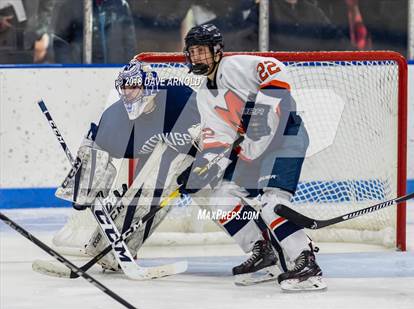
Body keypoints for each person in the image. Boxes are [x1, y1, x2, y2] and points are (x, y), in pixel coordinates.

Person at [179, 23, 326, 291]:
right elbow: (219, 141)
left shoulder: (237, 67)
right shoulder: (204, 95)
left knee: (272, 204)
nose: (197, 57)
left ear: (217, 51)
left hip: (285, 138)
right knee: (221, 199)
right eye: (192, 52)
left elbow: (275, 69)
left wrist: (264, 108)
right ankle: (264, 254)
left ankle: (306, 263)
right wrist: (202, 170)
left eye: (202, 51)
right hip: (253, 149)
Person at [56, 59, 201, 270]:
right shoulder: (115, 115)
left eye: (133, 86)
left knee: (153, 194)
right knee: (140, 196)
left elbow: (211, 128)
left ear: (149, 85)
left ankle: (262, 242)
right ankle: (107, 250)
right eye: (124, 87)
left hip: (188, 158)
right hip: (151, 157)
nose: (127, 93)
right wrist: (84, 185)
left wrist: (200, 166)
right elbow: (95, 146)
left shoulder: (178, 97)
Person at [53, 0, 136, 63]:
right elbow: (60, 42)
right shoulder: (70, 5)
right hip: (80, 73)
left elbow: (129, 43)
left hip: (113, 72)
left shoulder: (120, 5)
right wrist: (70, 70)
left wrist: (126, 70)